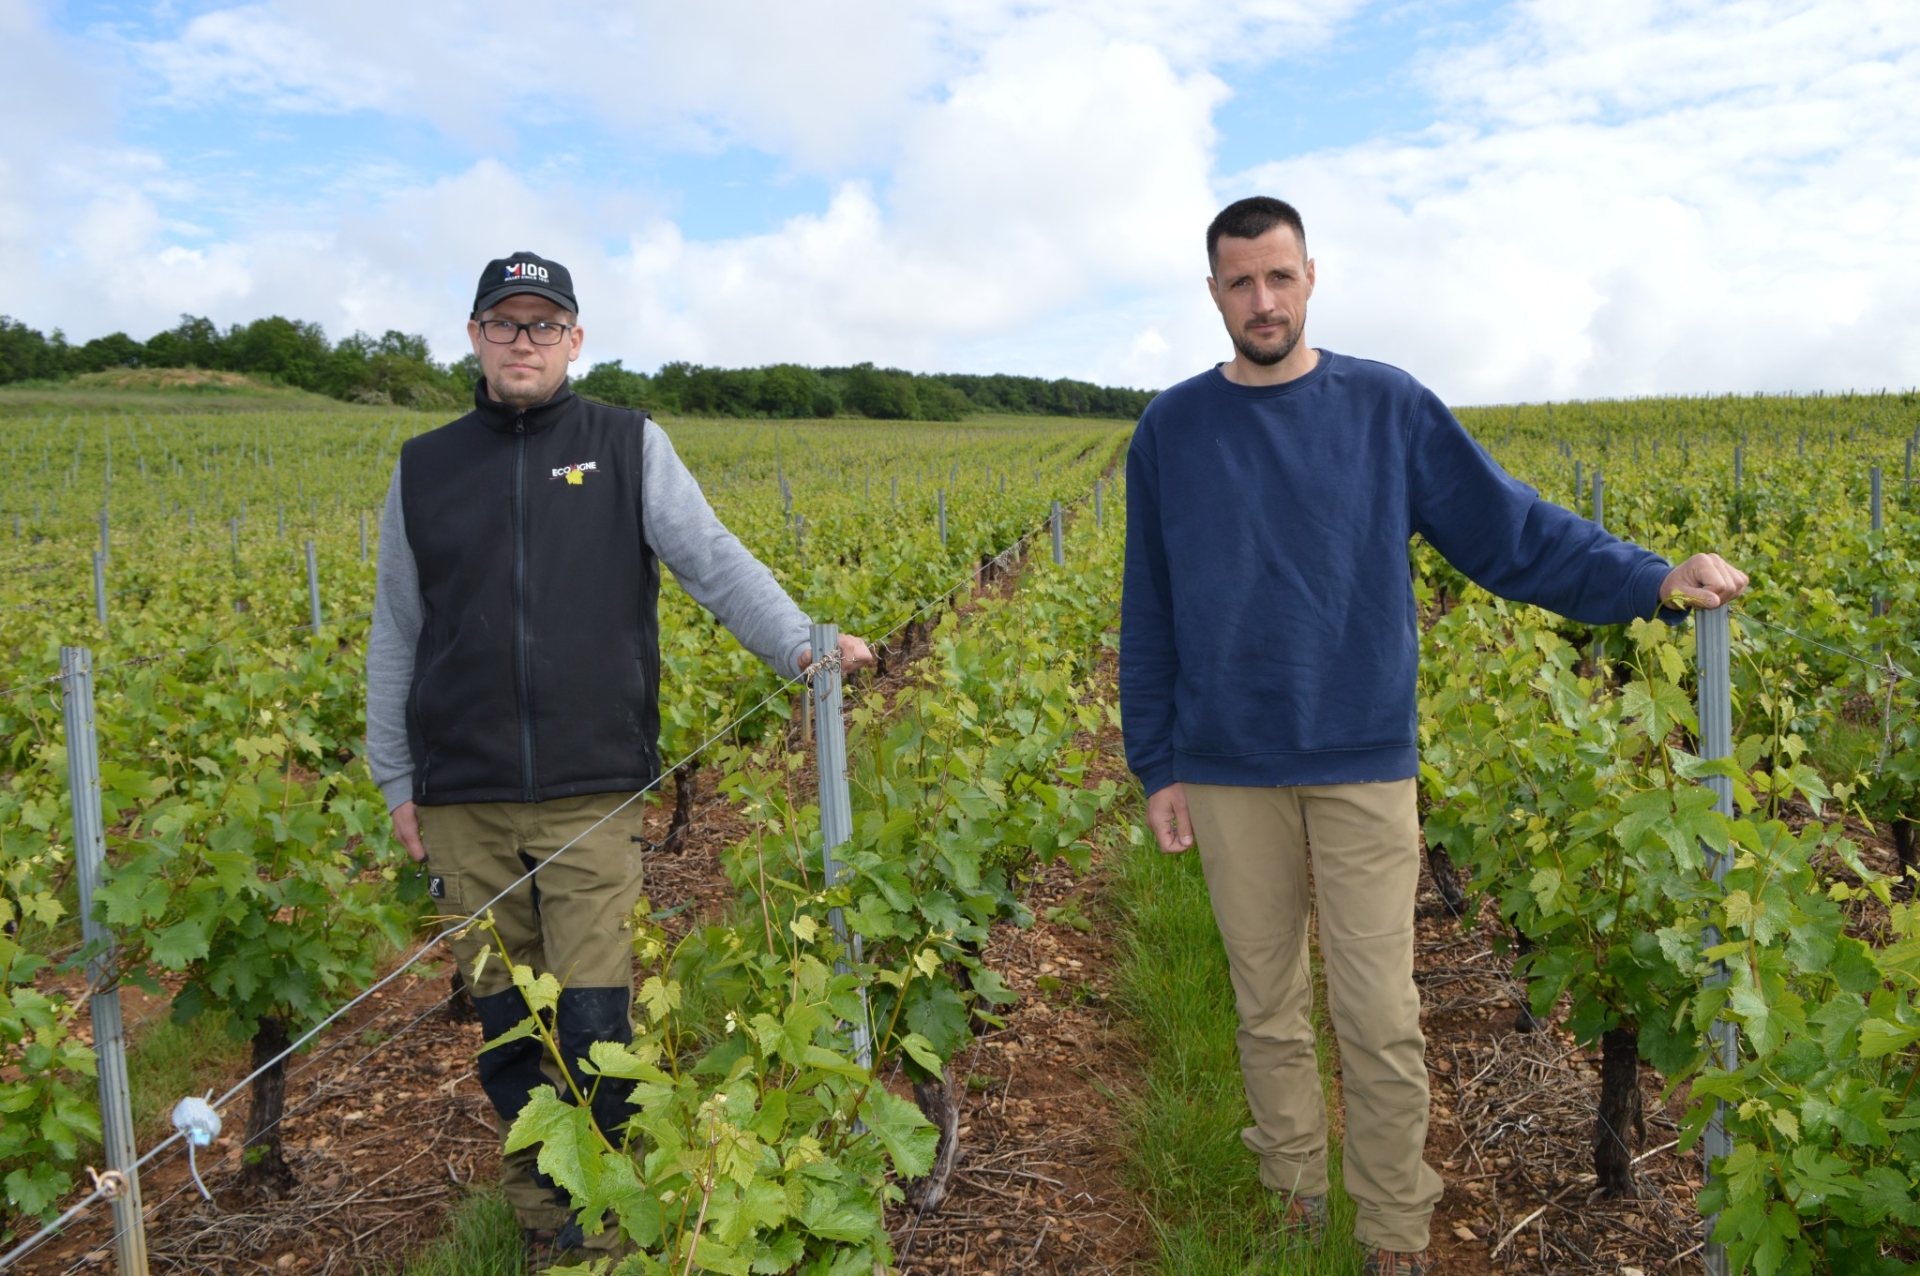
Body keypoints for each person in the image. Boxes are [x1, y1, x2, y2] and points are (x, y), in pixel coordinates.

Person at [1118, 198, 1747, 1275]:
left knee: (1378, 1013)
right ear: (1212, 292)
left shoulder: (1386, 408)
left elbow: (1510, 531)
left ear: (1311, 276)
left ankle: (1394, 1232)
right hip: (1224, 767)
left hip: (1363, 757)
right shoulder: (1171, 431)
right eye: (1240, 283)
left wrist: (1648, 577)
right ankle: (1288, 1197)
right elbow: (1151, 608)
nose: (1262, 301)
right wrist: (1156, 765)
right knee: (1264, 1000)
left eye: (1279, 277)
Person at [365, 251, 873, 1270]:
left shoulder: (627, 446)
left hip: (591, 793)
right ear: (473, 337)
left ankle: (611, 1212)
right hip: (462, 800)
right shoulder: (425, 466)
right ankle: (544, 1220)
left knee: (595, 1018)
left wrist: (800, 640)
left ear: (575, 340)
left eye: (543, 325)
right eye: (504, 324)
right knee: (508, 1024)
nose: (523, 341)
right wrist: (396, 781)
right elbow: (396, 633)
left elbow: (713, 559)